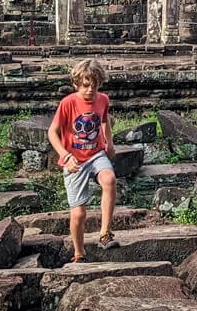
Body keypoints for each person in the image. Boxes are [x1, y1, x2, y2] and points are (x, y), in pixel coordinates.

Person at [48, 58, 119, 261]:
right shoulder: (68, 103)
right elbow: (52, 132)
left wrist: (109, 142)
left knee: (109, 180)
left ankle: (105, 233)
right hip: (74, 159)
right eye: (86, 85)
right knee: (78, 213)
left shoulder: (103, 99)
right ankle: (79, 252)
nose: (90, 90)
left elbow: (104, 121)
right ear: (76, 84)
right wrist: (65, 155)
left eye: (94, 86)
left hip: (96, 153)